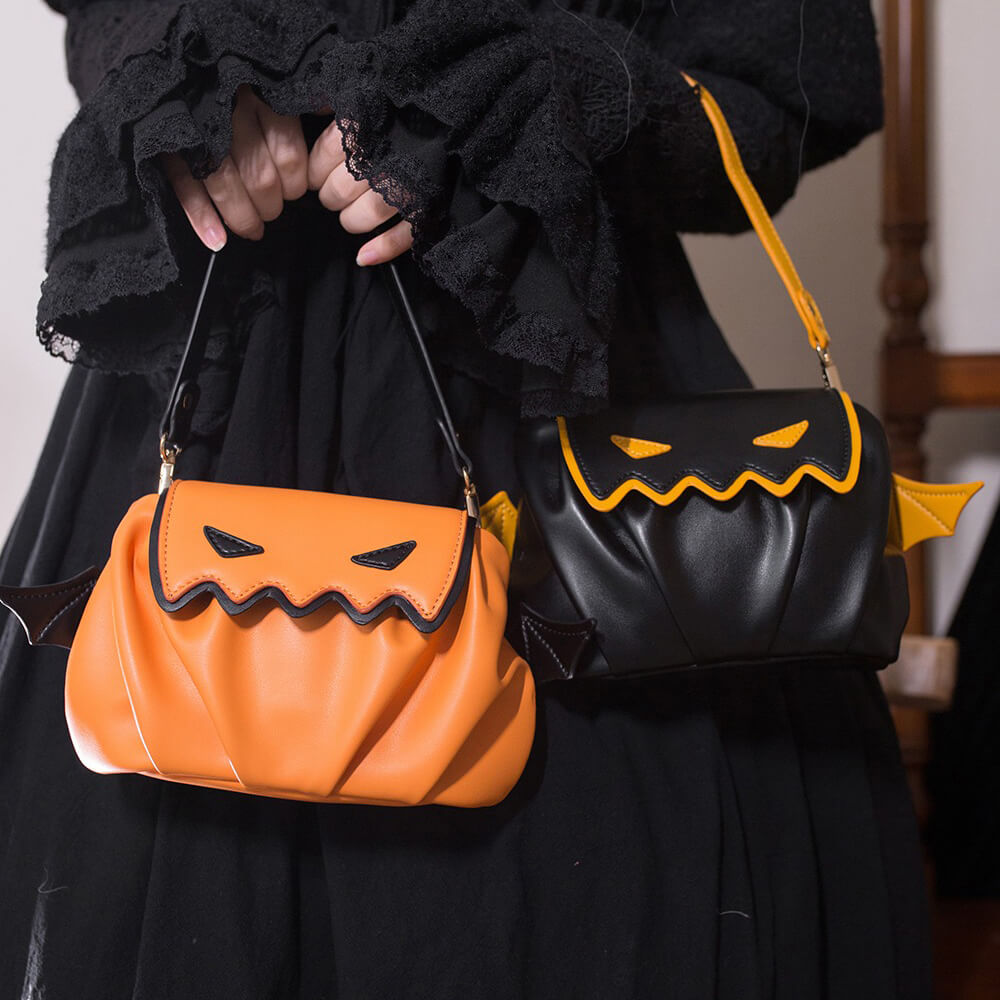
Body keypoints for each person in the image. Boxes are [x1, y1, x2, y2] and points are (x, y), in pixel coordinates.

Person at [0, 1, 930, 997]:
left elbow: (779, 106)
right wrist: (185, 86)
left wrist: (549, 105)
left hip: (566, 412)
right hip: (218, 393)